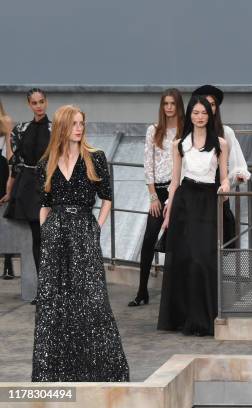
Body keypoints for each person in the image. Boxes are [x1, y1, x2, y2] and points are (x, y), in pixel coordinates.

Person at [32, 105, 129, 382]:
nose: (79, 128)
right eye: (74, 123)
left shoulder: (95, 158)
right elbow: (45, 205)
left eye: (81, 123)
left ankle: (100, 371)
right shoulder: (45, 163)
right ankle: (56, 373)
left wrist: (96, 228)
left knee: (92, 300)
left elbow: (107, 198)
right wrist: (45, 233)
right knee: (55, 302)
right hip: (55, 235)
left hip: (84, 231)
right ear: (62, 126)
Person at [157, 95, 229, 336]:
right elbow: (174, 182)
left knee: (204, 260)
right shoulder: (179, 144)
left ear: (211, 115)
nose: (199, 117)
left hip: (208, 201)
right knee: (185, 260)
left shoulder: (221, 143)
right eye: (195, 112)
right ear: (189, 114)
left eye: (204, 113)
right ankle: (184, 318)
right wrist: (168, 212)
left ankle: (207, 318)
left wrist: (226, 185)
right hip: (184, 204)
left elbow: (224, 176)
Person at [128, 89, 184, 307]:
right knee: (149, 239)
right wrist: (153, 197)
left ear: (178, 105)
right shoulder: (154, 130)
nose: (168, 107)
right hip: (158, 193)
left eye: (172, 103)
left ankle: (176, 296)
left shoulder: (185, 130)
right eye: (165, 104)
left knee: (176, 242)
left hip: (178, 191)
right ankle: (142, 291)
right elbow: (148, 164)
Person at [191, 85, 250, 247]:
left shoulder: (225, 132)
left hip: (217, 192)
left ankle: (214, 272)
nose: (209, 108)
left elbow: (237, 163)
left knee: (216, 240)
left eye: (212, 104)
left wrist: (236, 177)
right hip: (193, 194)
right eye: (205, 104)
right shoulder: (188, 134)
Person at [4, 89, 52, 288]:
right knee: (38, 237)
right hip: (28, 186)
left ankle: (55, 286)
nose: (39, 106)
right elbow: (15, 164)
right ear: (29, 105)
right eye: (34, 103)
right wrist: (9, 190)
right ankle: (43, 287)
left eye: (41, 101)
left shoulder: (56, 128)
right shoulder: (21, 130)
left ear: (46, 102)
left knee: (50, 237)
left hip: (51, 184)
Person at [0, 100, 15, 279]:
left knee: (5, 213)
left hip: (2, 168)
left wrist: (11, 180)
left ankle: (8, 261)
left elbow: (11, 153)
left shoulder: (5, 121)